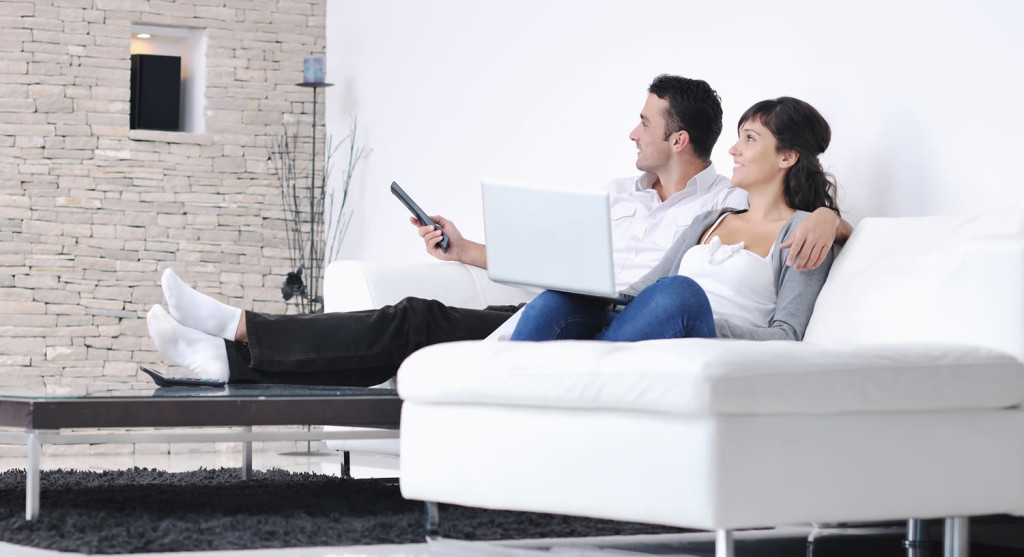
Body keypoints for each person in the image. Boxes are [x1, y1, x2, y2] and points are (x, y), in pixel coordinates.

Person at [147, 76, 849, 386]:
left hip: (662, 325)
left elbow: (781, 286)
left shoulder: (721, 200)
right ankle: (237, 344)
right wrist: (469, 249)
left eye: (645, 122)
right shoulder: (690, 213)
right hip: (602, 308)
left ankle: (239, 345)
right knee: (424, 315)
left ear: (680, 139)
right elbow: (605, 274)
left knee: (676, 302)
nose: (631, 132)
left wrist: (828, 215)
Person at [511, 97, 838, 343]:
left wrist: (702, 322)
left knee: (680, 292)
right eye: (738, 138)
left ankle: (591, 366)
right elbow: (642, 290)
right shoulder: (713, 219)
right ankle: (511, 392)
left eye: (750, 139)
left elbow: (787, 334)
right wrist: (587, 292)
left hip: (701, 339)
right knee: (556, 300)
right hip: (645, 327)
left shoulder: (806, 232)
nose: (733, 150)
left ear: (787, 156)